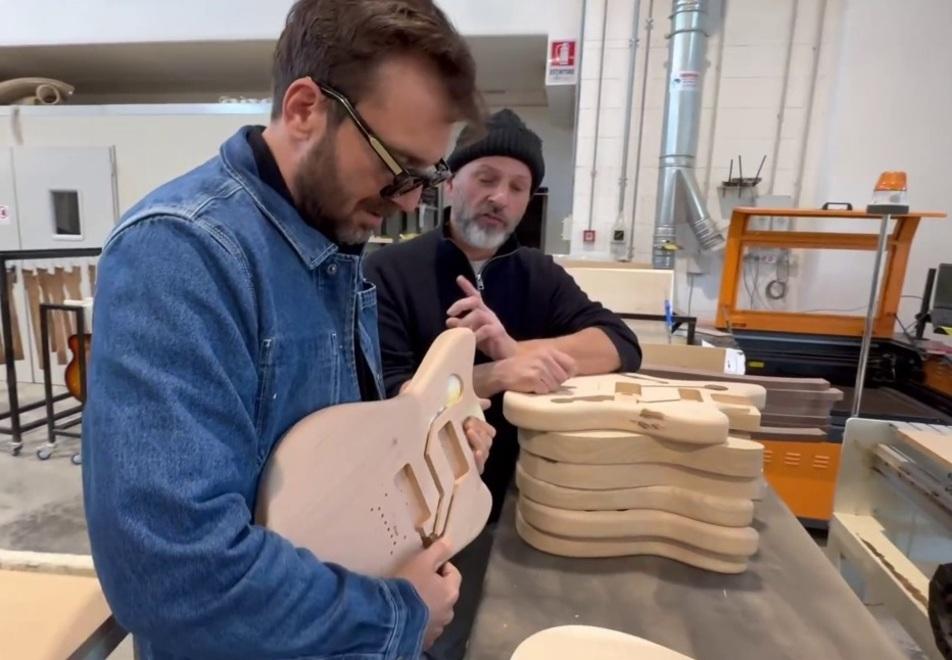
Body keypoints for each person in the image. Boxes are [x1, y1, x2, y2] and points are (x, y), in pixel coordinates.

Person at [81, 1, 496, 658]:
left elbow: (337, 476)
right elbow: (174, 577)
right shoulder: (181, 255)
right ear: (305, 108)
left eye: (427, 177)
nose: (410, 201)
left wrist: (437, 456)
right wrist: (394, 613)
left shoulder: (330, 241)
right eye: (397, 166)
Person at [364, 108, 642, 659]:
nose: (500, 198)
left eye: (518, 187)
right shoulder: (390, 272)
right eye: (486, 178)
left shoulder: (537, 273)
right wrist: (489, 376)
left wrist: (515, 350)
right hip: (416, 514)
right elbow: (388, 396)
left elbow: (619, 342)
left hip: (517, 505)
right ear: (452, 182)